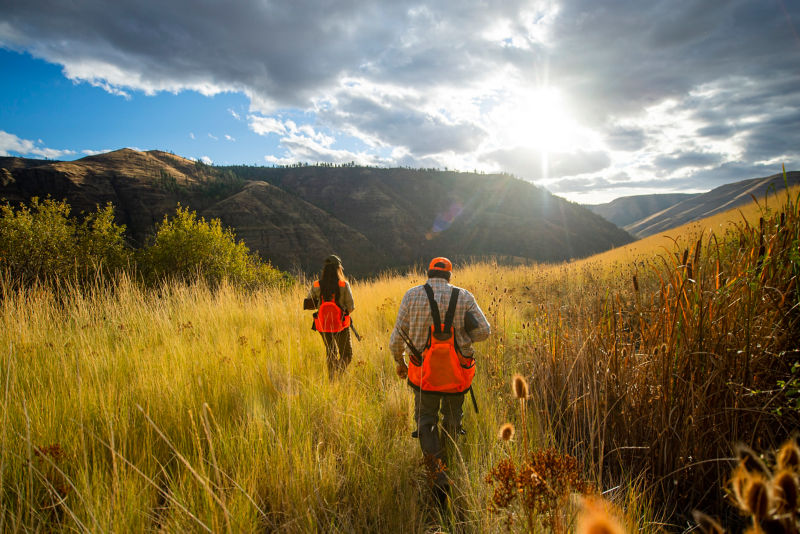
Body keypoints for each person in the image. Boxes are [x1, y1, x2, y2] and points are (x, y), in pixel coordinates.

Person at [389, 257, 490, 502]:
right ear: (449, 276)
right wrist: (465, 331)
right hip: (457, 375)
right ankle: (449, 462)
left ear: (428, 273)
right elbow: (485, 331)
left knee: (426, 420)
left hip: (425, 376)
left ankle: (438, 476)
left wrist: (400, 363)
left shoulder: (412, 295)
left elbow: (396, 341)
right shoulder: (464, 297)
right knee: (453, 419)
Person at [306, 254, 355, 379]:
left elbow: (308, 302)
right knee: (347, 354)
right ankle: (338, 373)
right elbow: (351, 307)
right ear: (338, 268)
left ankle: (332, 379)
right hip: (341, 325)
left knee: (331, 353)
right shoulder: (344, 285)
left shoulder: (316, 285)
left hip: (323, 325)